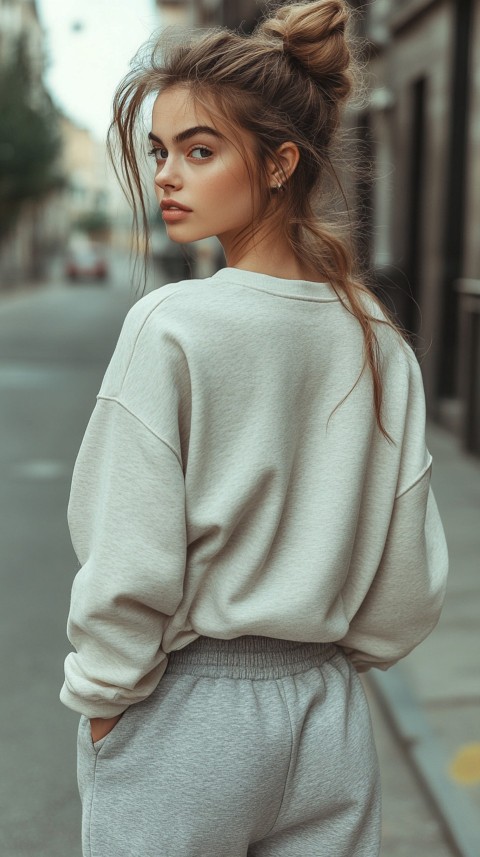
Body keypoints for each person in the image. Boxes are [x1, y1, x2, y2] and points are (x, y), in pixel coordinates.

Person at [60, 2, 448, 855]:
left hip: (185, 718)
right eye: (161, 152)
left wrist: (105, 700)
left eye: (200, 152)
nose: (166, 176)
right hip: (328, 719)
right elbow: (406, 586)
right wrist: (329, 662)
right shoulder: (378, 340)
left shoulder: (173, 325)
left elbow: (130, 551)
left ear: (279, 163)